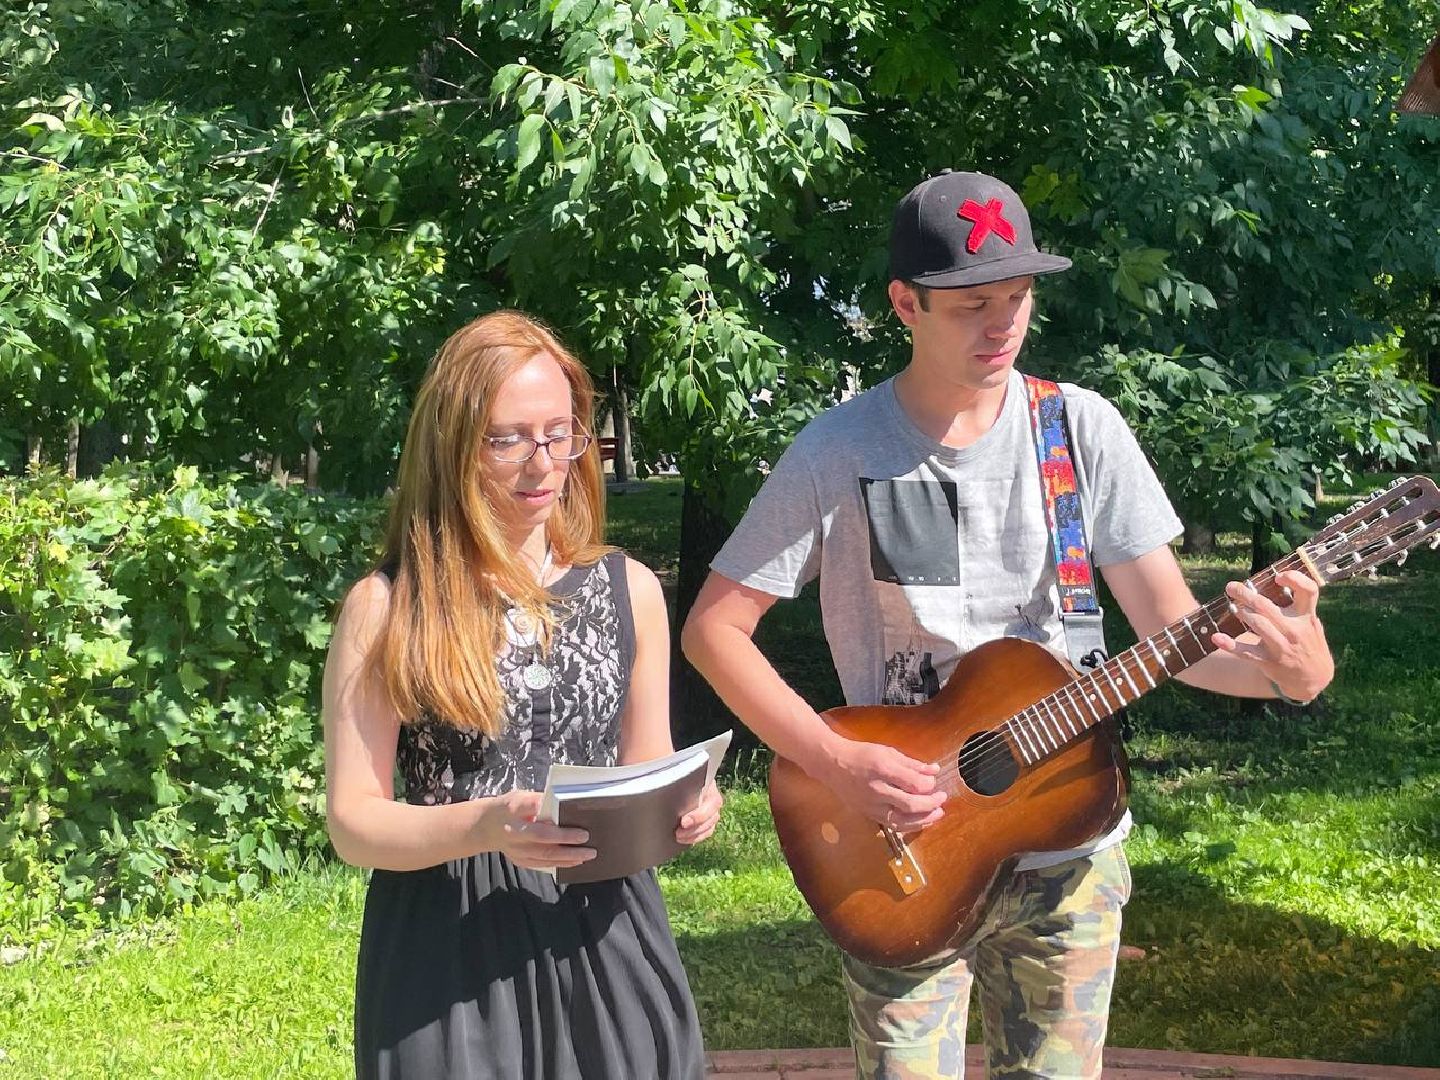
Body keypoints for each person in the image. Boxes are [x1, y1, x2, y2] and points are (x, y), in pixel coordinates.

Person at [681, 170, 1334, 1079]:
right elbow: (713, 630)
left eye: (1018, 298)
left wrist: (1292, 674)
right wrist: (835, 762)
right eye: (972, 305)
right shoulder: (839, 450)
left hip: (1070, 853)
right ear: (904, 304)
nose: (1002, 325)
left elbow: (1177, 637)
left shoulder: (1080, 431)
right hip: (902, 846)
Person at [323, 310, 722, 1079]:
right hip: (448, 951)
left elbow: (650, 765)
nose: (543, 464)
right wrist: (487, 825)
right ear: (452, 447)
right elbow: (354, 822)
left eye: (559, 434)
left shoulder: (631, 589)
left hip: (608, 934)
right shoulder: (387, 607)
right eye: (507, 440)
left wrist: (691, 803)